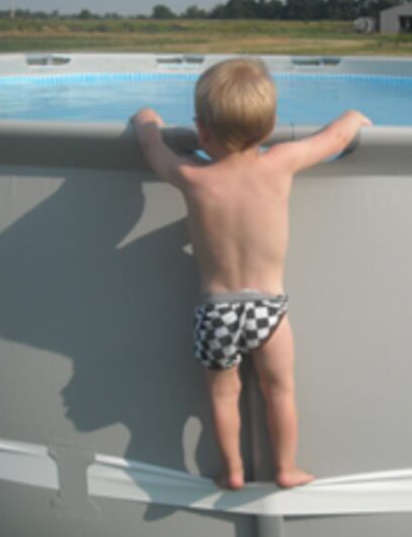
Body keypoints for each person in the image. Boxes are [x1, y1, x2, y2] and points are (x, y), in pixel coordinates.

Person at [132, 57, 371, 491]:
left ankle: (232, 470)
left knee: (223, 395)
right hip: (269, 309)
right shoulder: (281, 162)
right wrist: (353, 116)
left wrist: (147, 120)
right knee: (279, 390)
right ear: (271, 124)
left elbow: (153, 149)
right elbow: (334, 138)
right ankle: (286, 467)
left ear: (202, 130)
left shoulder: (193, 176)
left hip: (215, 312)